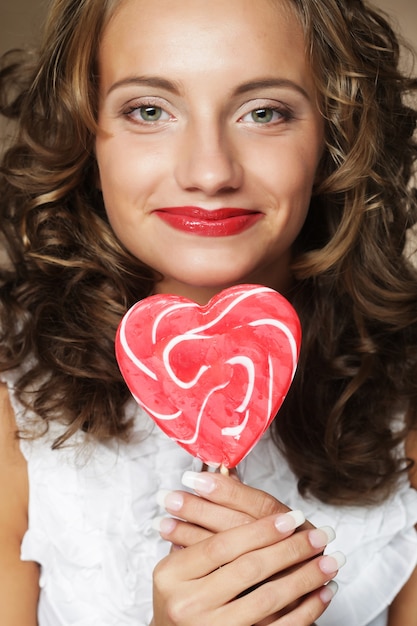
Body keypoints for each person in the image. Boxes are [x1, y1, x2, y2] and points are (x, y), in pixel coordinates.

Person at [0, 0, 416, 624]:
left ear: (334, 136)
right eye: (149, 110)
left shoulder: (407, 396)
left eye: (263, 112)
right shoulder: (12, 405)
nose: (210, 171)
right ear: (84, 134)